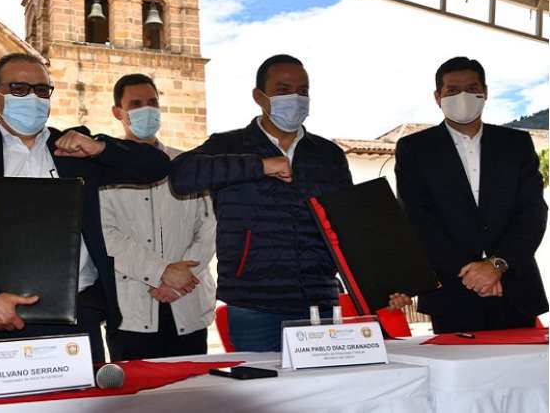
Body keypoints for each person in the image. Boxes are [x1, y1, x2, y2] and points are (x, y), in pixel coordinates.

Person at [0, 53, 171, 362]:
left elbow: (156, 167)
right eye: (19, 89)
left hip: (77, 319)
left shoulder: (75, 150)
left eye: (42, 90)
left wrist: (100, 148)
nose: (32, 97)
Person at [169, 54, 353, 352]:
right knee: (262, 396)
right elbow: (182, 175)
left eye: (303, 91)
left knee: (322, 395)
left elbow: (349, 227)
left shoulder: (328, 154)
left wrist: (377, 285)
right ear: (259, 96)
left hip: (321, 304)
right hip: (254, 306)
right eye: (283, 90)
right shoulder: (228, 145)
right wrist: (260, 165)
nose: (295, 98)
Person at [391, 57, 548, 333]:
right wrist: (474, 274)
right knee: (458, 376)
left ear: (484, 92)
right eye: (452, 91)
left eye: (471, 88)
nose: (462, 96)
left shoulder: (516, 145)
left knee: (519, 375)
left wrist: (497, 265)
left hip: (515, 289)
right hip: (452, 294)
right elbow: (418, 220)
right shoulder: (415, 149)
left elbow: (532, 212)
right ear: (438, 97)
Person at [99, 74, 217, 361]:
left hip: (188, 304)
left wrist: (180, 282)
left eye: (152, 102)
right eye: (136, 104)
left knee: (194, 397)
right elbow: (107, 236)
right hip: (131, 311)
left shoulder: (186, 165)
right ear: (118, 112)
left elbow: (209, 227)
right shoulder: (103, 172)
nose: (147, 109)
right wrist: (162, 272)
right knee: (134, 403)